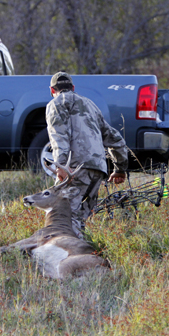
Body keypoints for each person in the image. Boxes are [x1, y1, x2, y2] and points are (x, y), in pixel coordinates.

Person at [46, 71, 128, 238]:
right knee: (81, 216)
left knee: (63, 214)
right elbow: (115, 138)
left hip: (74, 169)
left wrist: (61, 165)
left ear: (52, 90)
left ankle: (69, 255)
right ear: (73, 88)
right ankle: (85, 252)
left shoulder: (55, 103)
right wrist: (119, 168)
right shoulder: (90, 104)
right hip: (98, 168)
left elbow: (58, 136)